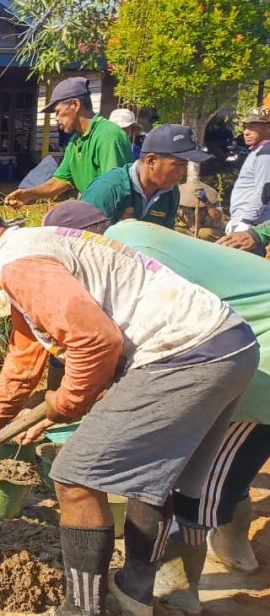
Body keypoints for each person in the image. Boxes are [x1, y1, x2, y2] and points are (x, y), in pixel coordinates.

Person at [0, 191, 257, 616]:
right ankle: (134, 593)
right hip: (228, 344)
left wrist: (64, 404)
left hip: (181, 353)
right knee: (153, 478)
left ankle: (82, 609)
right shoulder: (36, 247)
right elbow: (24, 360)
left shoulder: (18, 263)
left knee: (74, 477)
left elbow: (96, 342)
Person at [43, 208, 270, 615]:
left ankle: (177, 589)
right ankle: (237, 552)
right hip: (233, 346)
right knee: (215, 469)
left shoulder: (126, 257)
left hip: (256, 361)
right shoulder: (132, 240)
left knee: (197, 479)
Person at [5, 77, 132, 205]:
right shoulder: (75, 141)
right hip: (90, 213)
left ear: (75, 105)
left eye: (58, 112)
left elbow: (113, 188)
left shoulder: (107, 135)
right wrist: (28, 194)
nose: (56, 118)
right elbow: (60, 181)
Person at [80, 124, 207, 227]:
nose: (183, 173)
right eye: (179, 165)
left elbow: (163, 242)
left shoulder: (171, 193)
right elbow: (80, 243)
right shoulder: (108, 190)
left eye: (185, 165)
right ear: (151, 160)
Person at [224, 107, 270, 234]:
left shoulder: (266, 153)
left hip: (254, 225)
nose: (246, 132)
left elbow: (265, 189)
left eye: (252, 127)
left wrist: (247, 221)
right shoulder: (259, 150)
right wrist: (235, 219)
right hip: (245, 221)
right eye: (245, 127)